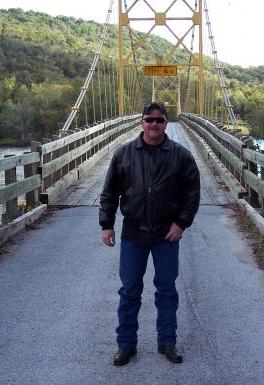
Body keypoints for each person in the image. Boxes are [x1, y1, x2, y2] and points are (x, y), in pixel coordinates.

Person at [99, 102, 200, 366]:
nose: (154, 124)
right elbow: (109, 193)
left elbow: (192, 194)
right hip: (133, 233)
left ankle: (167, 342)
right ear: (141, 122)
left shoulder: (181, 156)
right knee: (129, 291)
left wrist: (181, 223)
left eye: (159, 120)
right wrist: (106, 224)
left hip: (167, 233)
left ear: (166, 123)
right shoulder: (123, 154)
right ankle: (126, 345)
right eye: (149, 119)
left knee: (166, 290)